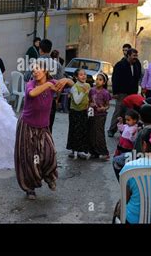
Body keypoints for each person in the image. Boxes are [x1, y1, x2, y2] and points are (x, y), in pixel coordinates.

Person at [15, 59, 74, 200]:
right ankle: (30, 188)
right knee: (28, 159)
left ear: (45, 71)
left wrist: (65, 79)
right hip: (27, 126)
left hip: (43, 127)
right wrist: (48, 84)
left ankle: (49, 177)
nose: (34, 71)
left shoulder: (54, 83)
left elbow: (74, 84)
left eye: (37, 69)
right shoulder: (31, 84)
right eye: (33, 69)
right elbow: (32, 94)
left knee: (49, 153)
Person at [108, 48, 142, 138]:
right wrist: (115, 92)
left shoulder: (137, 65)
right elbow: (115, 79)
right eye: (134, 55)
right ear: (128, 55)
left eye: (136, 55)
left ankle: (126, 130)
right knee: (118, 111)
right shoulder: (120, 65)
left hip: (132, 94)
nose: (135, 57)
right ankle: (112, 130)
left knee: (129, 113)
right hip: (122, 93)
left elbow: (138, 77)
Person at [37, 39, 64, 133]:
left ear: (40, 49)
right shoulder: (58, 65)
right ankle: (47, 146)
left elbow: (26, 77)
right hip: (51, 98)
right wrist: (57, 98)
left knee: (36, 127)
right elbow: (60, 83)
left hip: (37, 98)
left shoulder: (35, 62)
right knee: (48, 128)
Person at [66, 68, 91, 160]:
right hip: (75, 112)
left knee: (83, 130)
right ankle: (74, 150)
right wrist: (84, 92)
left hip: (84, 111)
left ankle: (81, 150)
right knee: (75, 131)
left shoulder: (88, 85)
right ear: (76, 77)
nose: (83, 76)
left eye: (85, 74)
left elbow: (88, 98)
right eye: (81, 74)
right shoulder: (74, 87)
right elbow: (77, 101)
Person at [88, 73, 112, 160]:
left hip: (101, 115)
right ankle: (94, 152)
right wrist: (91, 104)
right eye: (97, 79)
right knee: (91, 133)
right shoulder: (92, 90)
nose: (98, 81)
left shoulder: (105, 93)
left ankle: (105, 153)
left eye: (100, 80)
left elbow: (108, 105)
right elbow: (89, 101)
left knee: (99, 134)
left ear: (104, 82)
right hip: (92, 114)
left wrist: (103, 108)